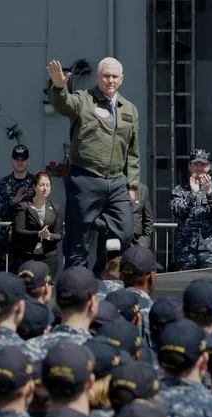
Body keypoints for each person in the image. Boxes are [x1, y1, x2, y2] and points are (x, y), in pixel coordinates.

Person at [48, 57, 139, 273]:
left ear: (122, 79)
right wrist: (59, 86)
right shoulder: (83, 100)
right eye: (106, 76)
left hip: (117, 182)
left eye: (115, 76)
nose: (110, 80)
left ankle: (101, 274)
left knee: (125, 232)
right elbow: (64, 104)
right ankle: (77, 283)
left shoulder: (130, 109)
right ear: (97, 77)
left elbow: (133, 152)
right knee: (78, 241)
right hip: (85, 179)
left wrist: (132, 186)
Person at [171, 149, 212, 271]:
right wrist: (192, 194)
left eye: (203, 165)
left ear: (208, 167)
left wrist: (209, 194)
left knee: (211, 284)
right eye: (196, 164)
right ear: (189, 167)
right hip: (186, 249)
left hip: (210, 249)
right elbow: (178, 212)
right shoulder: (180, 190)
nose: (199, 168)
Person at [0, 144, 34, 271]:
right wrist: (13, 201)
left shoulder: (36, 183)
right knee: (5, 278)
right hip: (7, 239)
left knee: (28, 277)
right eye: (17, 159)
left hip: (30, 238)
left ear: (28, 161)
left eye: (23, 159)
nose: (20, 162)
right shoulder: (1, 184)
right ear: (11, 160)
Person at [11, 170, 64, 275]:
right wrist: (38, 234)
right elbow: (18, 231)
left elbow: (59, 235)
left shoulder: (56, 208)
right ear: (34, 187)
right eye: (42, 185)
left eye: (48, 185)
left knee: (46, 287)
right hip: (26, 256)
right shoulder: (23, 206)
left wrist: (49, 236)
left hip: (48, 256)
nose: (45, 188)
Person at [131, 182, 154, 249]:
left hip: (137, 244)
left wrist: (144, 242)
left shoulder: (142, 189)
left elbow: (148, 219)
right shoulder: (114, 187)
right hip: (117, 245)